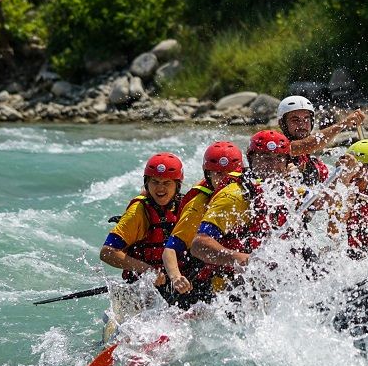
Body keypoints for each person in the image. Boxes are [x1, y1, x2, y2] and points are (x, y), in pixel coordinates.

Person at [189, 130, 300, 290]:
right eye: (266, 159)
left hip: (267, 281)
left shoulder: (286, 192)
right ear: (252, 160)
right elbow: (199, 244)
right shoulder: (234, 196)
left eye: (279, 159)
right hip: (225, 287)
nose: (273, 166)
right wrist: (236, 257)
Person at [160, 141, 244, 308]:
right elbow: (170, 250)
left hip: (235, 278)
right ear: (208, 175)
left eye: (229, 175)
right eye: (218, 175)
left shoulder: (246, 194)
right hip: (202, 283)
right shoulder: (197, 206)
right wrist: (176, 278)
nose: (224, 181)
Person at [100, 152, 183, 283]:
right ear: (147, 184)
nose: (160, 188)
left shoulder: (186, 206)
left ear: (177, 185)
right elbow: (107, 252)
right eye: (155, 182)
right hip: (143, 286)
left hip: (177, 282)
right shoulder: (137, 212)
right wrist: (147, 270)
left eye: (167, 182)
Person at [277, 95, 366, 185]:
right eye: (295, 120)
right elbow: (307, 145)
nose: (302, 125)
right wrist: (343, 124)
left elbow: (328, 193)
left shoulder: (317, 165)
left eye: (306, 119)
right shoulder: (277, 149)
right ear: (282, 123)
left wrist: (344, 175)